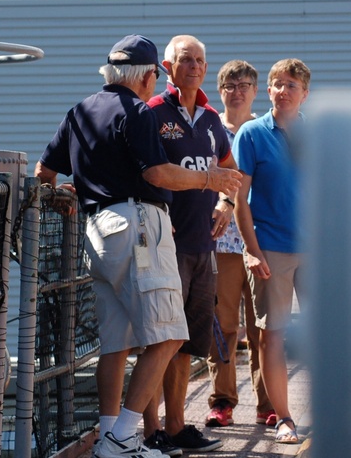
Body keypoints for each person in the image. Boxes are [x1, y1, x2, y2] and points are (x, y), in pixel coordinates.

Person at [35, 35, 242, 458]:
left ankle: (110, 434)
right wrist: (211, 180)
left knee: (117, 341)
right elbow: (158, 175)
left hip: (97, 229)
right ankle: (124, 435)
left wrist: (64, 197)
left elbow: (44, 172)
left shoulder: (79, 110)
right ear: (150, 75)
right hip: (140, 226)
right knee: (169, 335)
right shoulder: (138, 111)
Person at [140, 35, 237, 456]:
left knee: (187, 343)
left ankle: (178, 428)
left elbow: (229, 171)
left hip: (204, 248)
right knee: (159, 340)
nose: (194, 66)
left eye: (200, 60)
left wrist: (227, 202)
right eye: (186, 60)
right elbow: (146, 174)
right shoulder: (152, 113)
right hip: (164, 247)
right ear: (167, 66)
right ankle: (150, 431)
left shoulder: (213, 119)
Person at [232, 58, 311, 445]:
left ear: (305, 94)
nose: (283, 90)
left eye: (292, 85)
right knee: (272, 336)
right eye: (278, 84)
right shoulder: (251, 133)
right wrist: (251, 250)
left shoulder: (320, 135)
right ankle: (284, 418)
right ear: (269, 91)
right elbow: (239, 199)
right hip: (271, 251)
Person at [204, 60, 274, 429]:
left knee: (264, 327)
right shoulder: (208, 129)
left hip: (261, 241)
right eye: (230, 85)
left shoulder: (266, 130)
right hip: (220, 245)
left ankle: (269, 405)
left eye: (245, 84)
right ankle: (223, 402)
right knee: (224, 326)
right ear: (221, 90)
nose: (238, 91)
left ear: (256, 90)